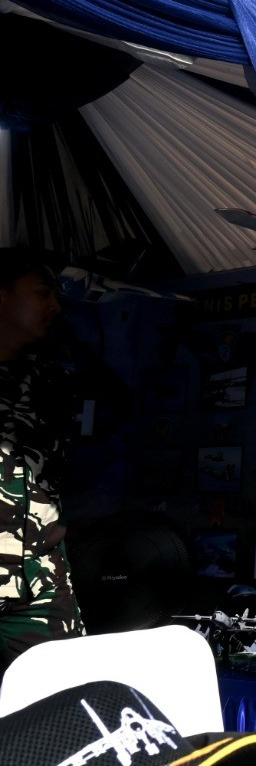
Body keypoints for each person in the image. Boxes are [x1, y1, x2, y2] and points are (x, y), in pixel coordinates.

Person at [0, 249, 84, 674]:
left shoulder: (54, 382)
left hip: (40, 580)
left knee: (62, 702)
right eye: (41, 294)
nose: (54, 306)